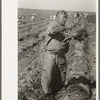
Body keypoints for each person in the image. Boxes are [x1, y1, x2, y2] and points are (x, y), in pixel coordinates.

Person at [40, 10, 78, 99]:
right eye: (63, 17)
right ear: (57, 18)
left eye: (66, 17)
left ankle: (58, 92)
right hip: (50, 55)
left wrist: (74, 35)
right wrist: (67, 27)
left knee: (61, 75)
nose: (65, 19)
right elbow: (53, 31)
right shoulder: (53, 25)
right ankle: (47, 94)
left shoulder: (65, 28)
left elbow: (68, 37)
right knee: (48, 75)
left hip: (61, 55)